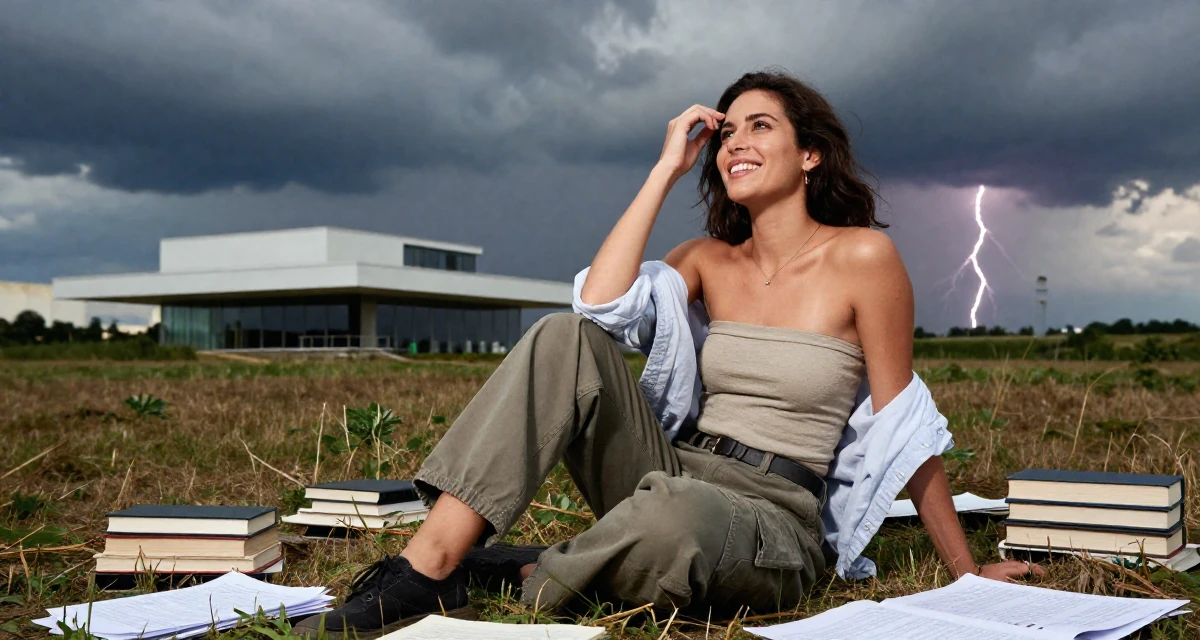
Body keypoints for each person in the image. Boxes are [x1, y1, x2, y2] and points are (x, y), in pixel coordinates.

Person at [295, 70, 1042, 638]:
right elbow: (601, 307)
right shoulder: (707, 261)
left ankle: (527, 571)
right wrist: (664, 170)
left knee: (676, 516)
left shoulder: (864, 258)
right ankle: (425, 569)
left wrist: (966, 573)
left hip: (772, 518)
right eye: (728, 133)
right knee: (565, 338)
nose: (737, 143)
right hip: (669, 468)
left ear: (810, 154)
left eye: (761, 127)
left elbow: (904, 421)